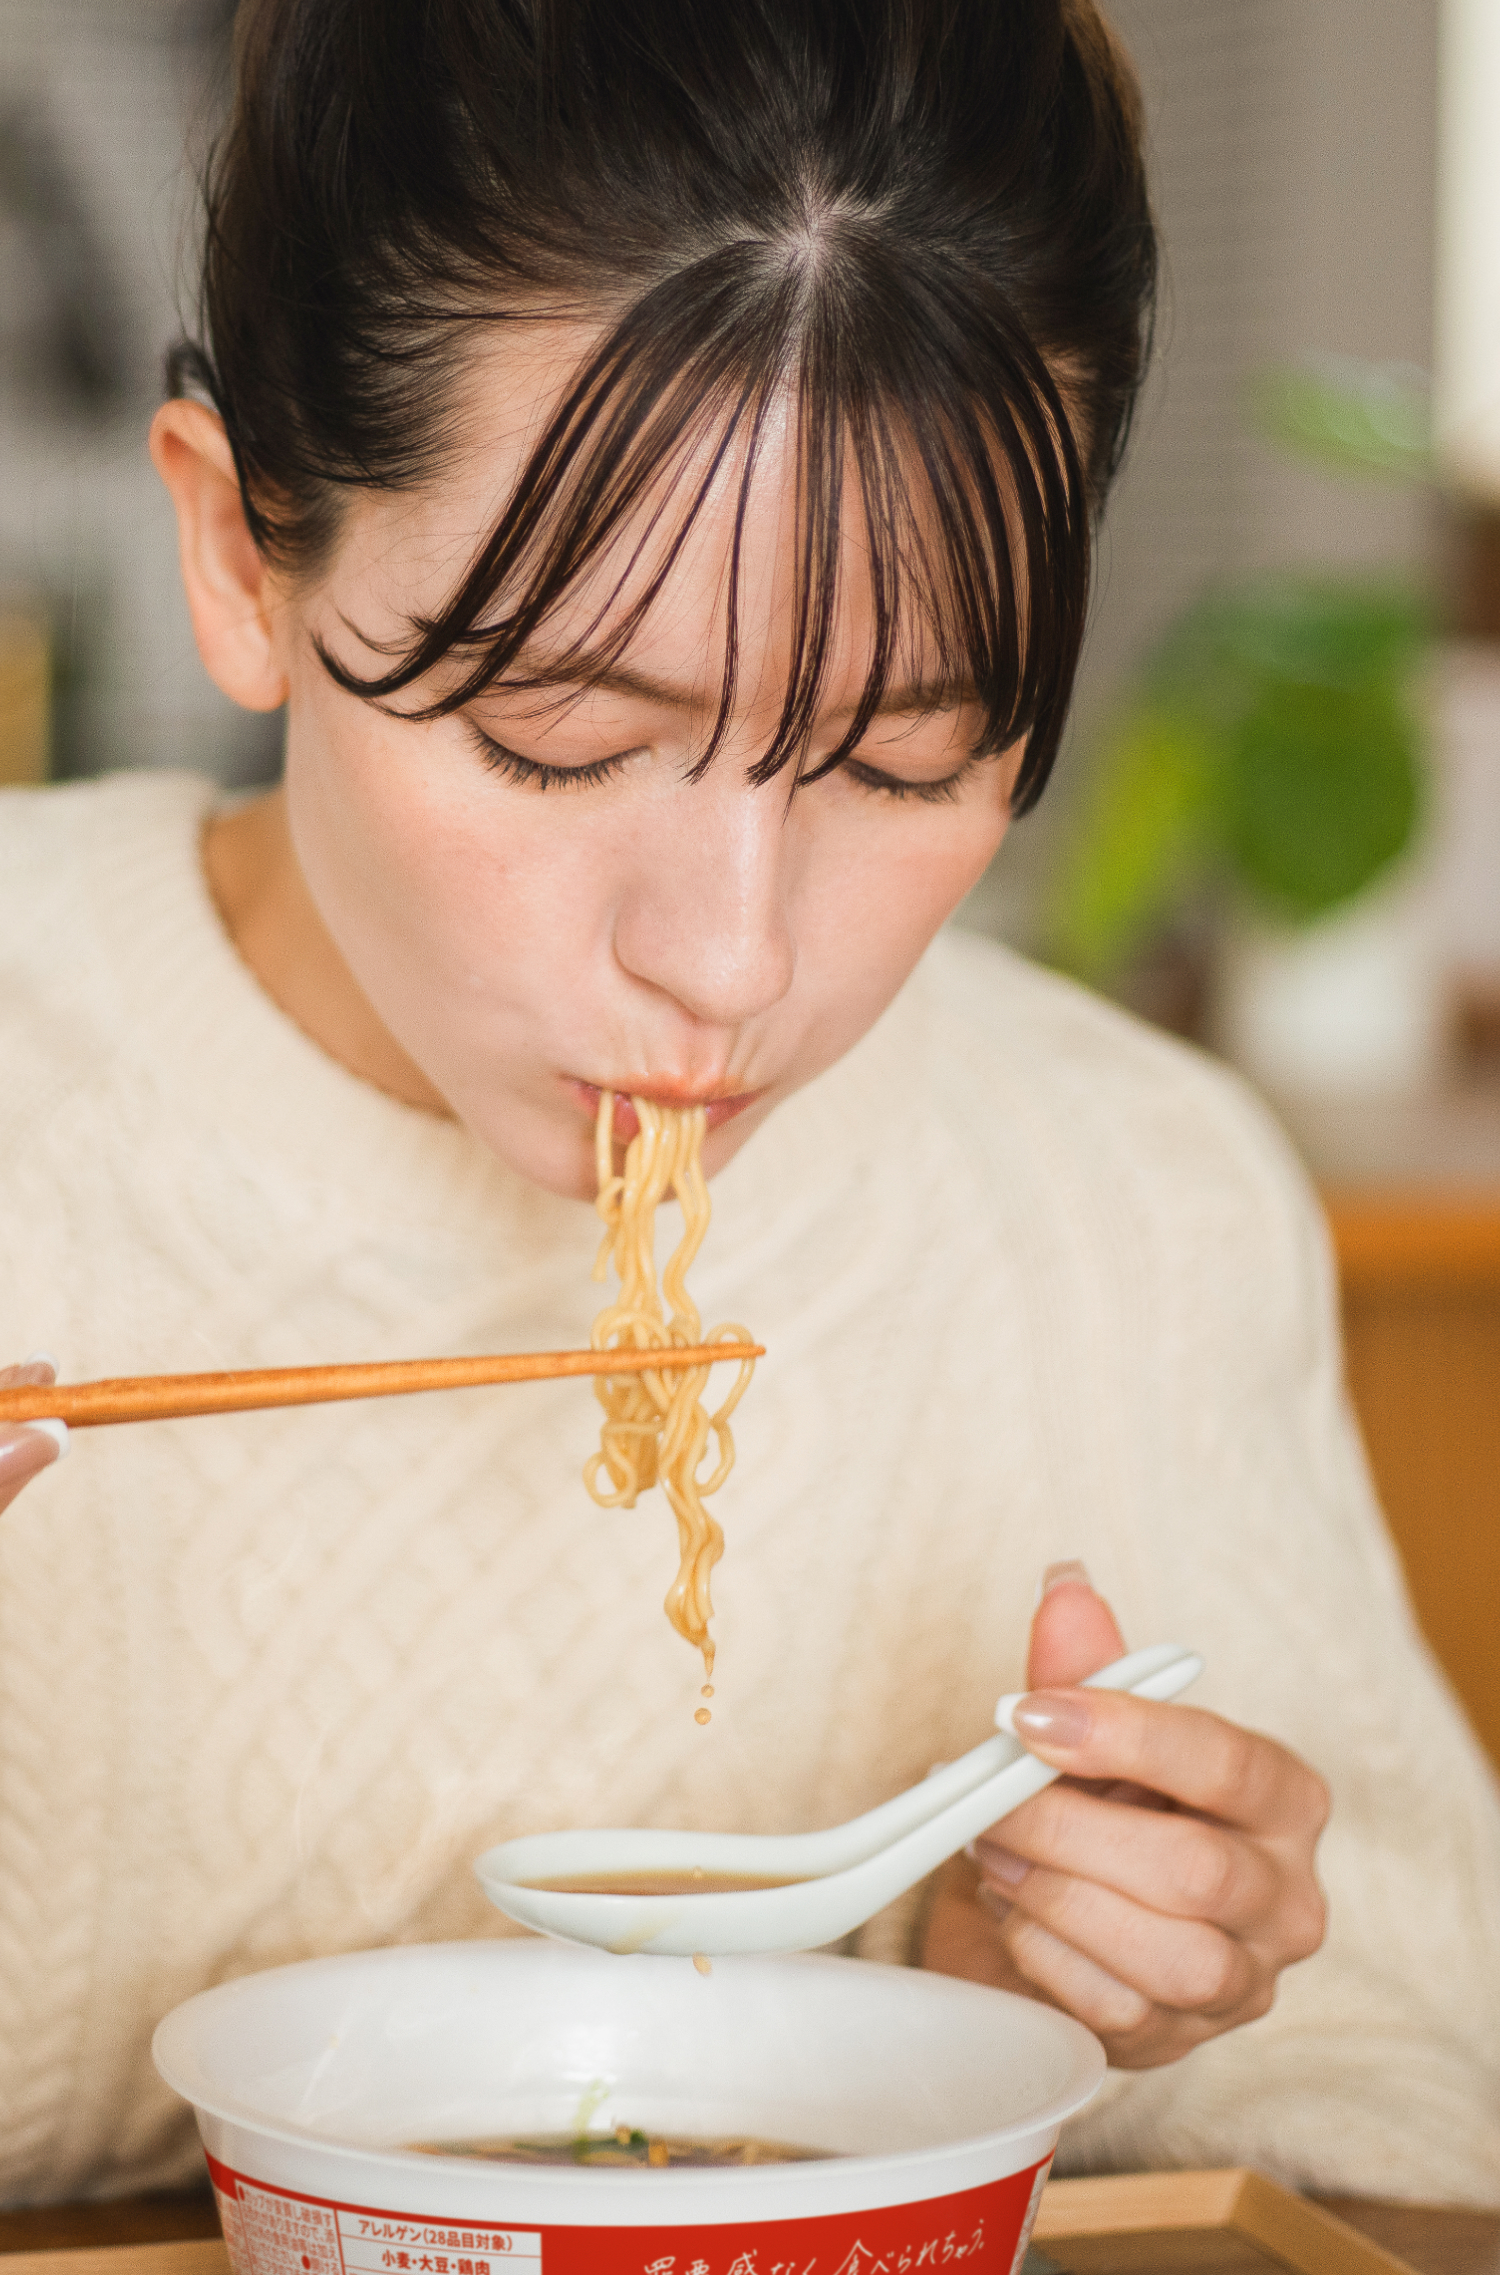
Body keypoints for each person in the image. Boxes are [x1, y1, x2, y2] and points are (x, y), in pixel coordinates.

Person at [0, 0, 1497, 2213]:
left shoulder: (1129, 1201)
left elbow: (1411, 2131)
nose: (730, 957)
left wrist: (1021, 2014)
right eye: (564, 739)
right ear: (244, 554)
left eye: (905, 763)